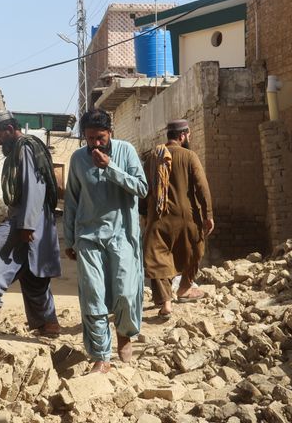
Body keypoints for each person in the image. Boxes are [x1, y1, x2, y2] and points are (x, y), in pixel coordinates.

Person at [64, 109, 148, 373]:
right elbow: (72, 201)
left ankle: (124, 333)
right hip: (88, 236)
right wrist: (70, 239)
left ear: (110, 133)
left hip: (122, 234)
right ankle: (101, 355)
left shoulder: (126, 151)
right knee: (93, 295)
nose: (95, 144)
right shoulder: (78, 159)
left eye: (100, 138)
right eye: (89, 139)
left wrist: (109, 167)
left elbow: (141, 188)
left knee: (124, 292)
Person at [0, 111, 62, 337]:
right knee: (32, 274)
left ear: (9, 130)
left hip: (31, 219)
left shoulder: (25, 148)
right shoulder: (19, 149)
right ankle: (49, 325)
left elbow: (34, 187)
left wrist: (27, 225)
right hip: (25, 218)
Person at [142, 119, 214, 320]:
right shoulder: (189, 156)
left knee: (156, 258)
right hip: (187, 216)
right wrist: (208, 215)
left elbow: (144, 188)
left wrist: (143, 214)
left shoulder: (152, 157)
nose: (188, 138)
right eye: (188, 135)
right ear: (182, 136)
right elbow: (202, 187)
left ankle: (166, 302)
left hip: (158, 217)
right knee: (195, 250)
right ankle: (183, 289)